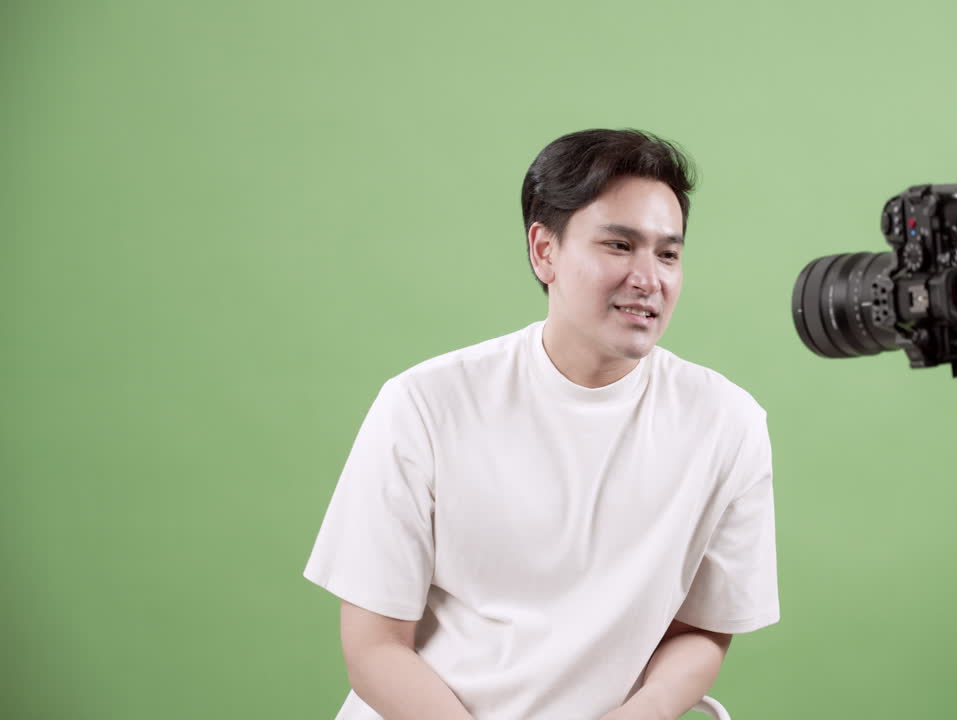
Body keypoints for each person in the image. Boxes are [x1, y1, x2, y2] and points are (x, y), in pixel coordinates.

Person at [303, 128, 779, 720]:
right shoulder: (425, 405)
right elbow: (374, 648)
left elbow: (702, 629)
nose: (648, 277)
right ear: (544, 251)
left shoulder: (726, 424)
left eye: (668, 253)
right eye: (619, 245)